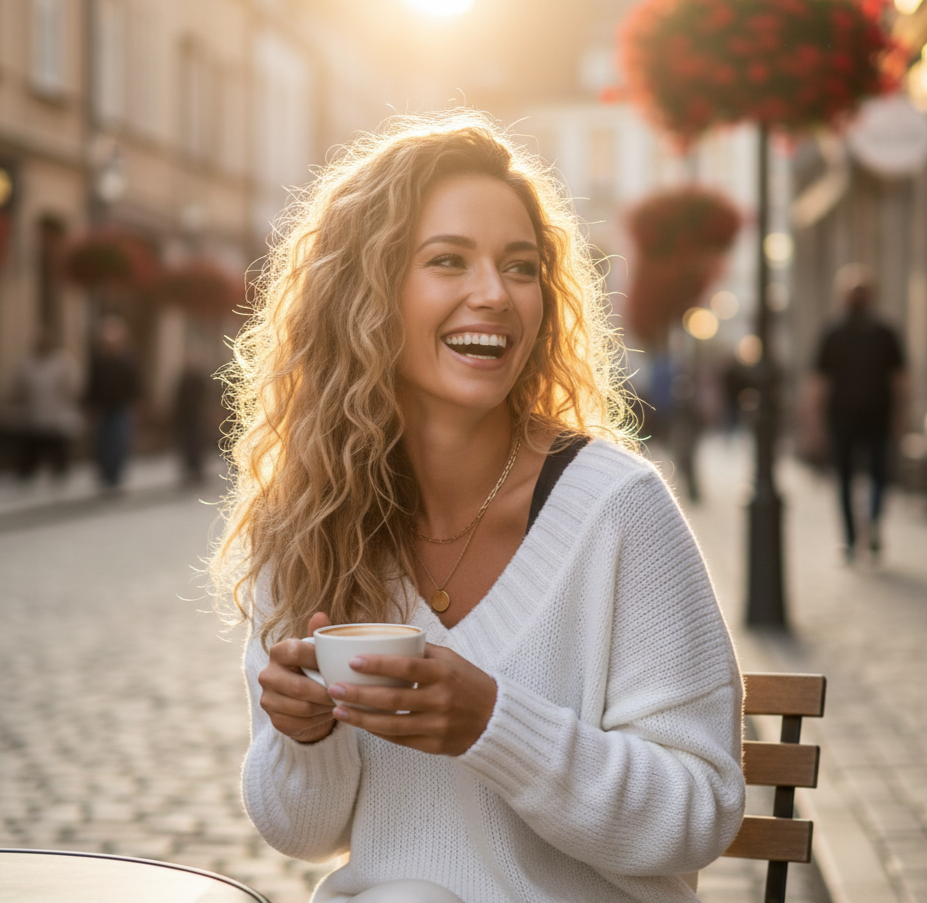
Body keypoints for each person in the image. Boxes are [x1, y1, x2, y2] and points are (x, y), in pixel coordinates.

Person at [212, 112, 745, 903]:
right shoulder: (309, 519)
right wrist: (302, 735)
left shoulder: (617, 508)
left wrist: (494, 725)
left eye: (520, 266)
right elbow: (303, 831)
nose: (493, 294)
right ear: (367, 291)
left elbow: (699, 810)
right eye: (447, 261)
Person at [808, 268, 908, 562]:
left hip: (879, 417)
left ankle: (873, 525)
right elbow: (818, 383)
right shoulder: (832, 334)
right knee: (844, 479)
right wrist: (814, 423)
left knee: (879, 476)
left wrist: (901, 416)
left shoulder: (885, 334)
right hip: (842, 419)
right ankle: (852, 538)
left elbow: (900, 380)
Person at [11, 329, 82, 480]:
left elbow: (72, 385)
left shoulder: (62, 361)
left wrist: (67, 400)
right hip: (35, 412)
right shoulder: (28, 361)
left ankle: (60, 472)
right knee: (33, 445)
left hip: (56, 412)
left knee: (56, 446)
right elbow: (20, 385)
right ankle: (26, 473)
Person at [85, 314, 141, 489]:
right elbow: (92, 384)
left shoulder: (126, 361)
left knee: (118, 441)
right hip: (103, 407)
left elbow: (135, 384)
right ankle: (105, 472)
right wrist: (90, 405)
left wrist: (136, 404)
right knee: (103, 441)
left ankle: (114, 474)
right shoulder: (99, 361)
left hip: (120, 407)